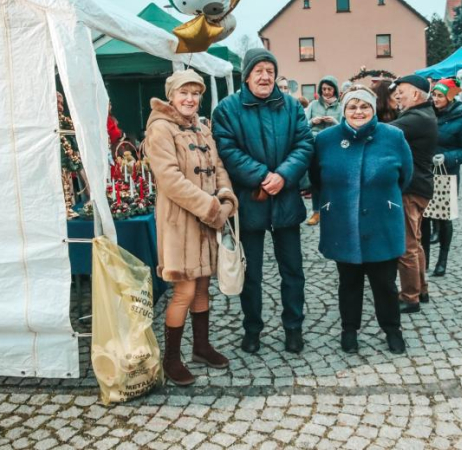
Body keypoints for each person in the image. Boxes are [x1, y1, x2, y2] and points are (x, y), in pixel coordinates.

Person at [212, 48, 314, 354]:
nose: (265, 76)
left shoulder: (291, 107)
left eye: (270, 70)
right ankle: (252, 329)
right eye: (259, 70)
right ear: (246, 75)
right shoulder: (228, 109)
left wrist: (283, 175)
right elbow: (226, 149)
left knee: (293, 271)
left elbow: (304, 143)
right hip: (249, 201)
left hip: (285, 200)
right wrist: (260, 175)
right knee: (251, 273)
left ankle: (293, 327)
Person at [144, 70, 238, 386]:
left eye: (196, 93)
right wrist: (211, 209)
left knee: (202, 286)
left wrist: (226, 200)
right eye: (184, 92)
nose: (190, 99)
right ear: (171, 95)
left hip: (207, 223)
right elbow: (170, 179)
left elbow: (219, 168)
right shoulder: (160, 129)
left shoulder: (201, 127)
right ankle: (171, 358)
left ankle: (201, 347)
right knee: (184, 289)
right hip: (180, 223)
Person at [310, 86, 413, 354]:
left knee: (385, 284)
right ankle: (349, 330)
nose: (358, 111)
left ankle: (392, 330)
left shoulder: (394, 136)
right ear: (343, 110)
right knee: (349, 283)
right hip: (342, 224)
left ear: (373, 108)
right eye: (352, 107)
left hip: (382, 222)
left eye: (364, 106)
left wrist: (383, 199)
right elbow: (317, 178)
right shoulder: (325, 140)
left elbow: (405, 176)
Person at [389, 75, 438, 314]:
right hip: (420, 186)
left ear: (416, 94)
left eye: (402, 91)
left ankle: (410, 297)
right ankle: (421, 289)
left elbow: (382, 133)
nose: (397, 95)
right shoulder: (423, 114)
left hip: (411, 189)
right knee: (415, 243)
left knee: (406, 245)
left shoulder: (415, 118)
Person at [421, 79, 462, 277]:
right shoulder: (427, 113)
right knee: (424, 218)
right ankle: (424, 259)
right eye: (434, 95)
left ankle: (442, 260)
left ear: (450, 97)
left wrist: (447, 157)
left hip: (446, 174)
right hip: (425, 172)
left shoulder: (461, 119)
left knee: (444, 219)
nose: (435, 99)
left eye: (440, 96)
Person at [305, 76, 342, 226]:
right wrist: (312, 121)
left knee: (332, 180)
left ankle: (333, 210)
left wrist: (334, 122)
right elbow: (303, 126)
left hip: (333, 147)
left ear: (335, 90)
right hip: (316, 146)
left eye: (329, 89)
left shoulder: (340, 107)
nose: (326, 92)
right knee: (316, 180)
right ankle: (316, 212)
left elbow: (344, 128)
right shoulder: (313, 105)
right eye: (324, 89)